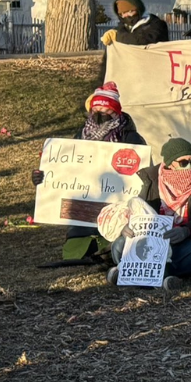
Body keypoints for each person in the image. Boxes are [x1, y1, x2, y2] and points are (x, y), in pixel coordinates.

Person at [31, 82, 147, 263]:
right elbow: (65, 170)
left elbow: (143, 175)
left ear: (116, 111)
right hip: (84, 217)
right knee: (73, 254)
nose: (100, 111)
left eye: (106, 108)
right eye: (97, 106)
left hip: (118, 212)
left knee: (117, 245)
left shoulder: (130, 138)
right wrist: (43, 178)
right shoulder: (81, 135)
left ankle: (112, 249)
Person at [106, 138, 191, 290]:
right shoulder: (151, 180)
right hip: (155, 241)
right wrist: (127, 227)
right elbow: (138, 210)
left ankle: (138, 274)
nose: (190, 166)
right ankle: (160, 277)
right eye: (183, 162)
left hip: (188, 240)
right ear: (170, 164)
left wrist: (187, 230)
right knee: (119, 245)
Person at [98, 0, 169, 81]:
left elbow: (142, 40)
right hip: (128, 80)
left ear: (138, 9)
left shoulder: (156, 25)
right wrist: (100, 87)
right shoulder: (120, 30)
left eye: (130, 11)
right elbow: (108, 62)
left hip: (153, 77)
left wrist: (118, 37)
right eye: (123, 13)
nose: (126, 16)